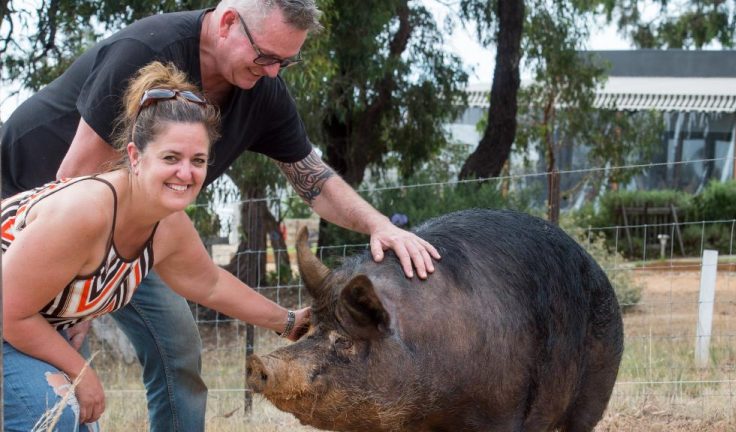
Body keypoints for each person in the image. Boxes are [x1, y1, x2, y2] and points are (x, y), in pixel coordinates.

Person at [0, 0, 441, 430]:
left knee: (176, 343)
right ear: (228, 22)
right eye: (266, 56)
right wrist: (77, 321)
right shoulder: (146, 50)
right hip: (40, 225)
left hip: (131, 221)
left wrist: (377, 227)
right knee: (58, 398)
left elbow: (214, 272)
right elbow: (73, 176)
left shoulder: (255, 99)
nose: (271, 71)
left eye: (285, 63)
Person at [2, 61, 313, 431]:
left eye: (198, 160)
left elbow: (209, 283)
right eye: (171, 158)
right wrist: (80, 374)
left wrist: (290, 322)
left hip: (26, 322)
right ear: (135, 156)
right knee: (57, 414)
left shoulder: (166, 225)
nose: (186, 173)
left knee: (79, 421)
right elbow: (9, 312)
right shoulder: (85, 212)